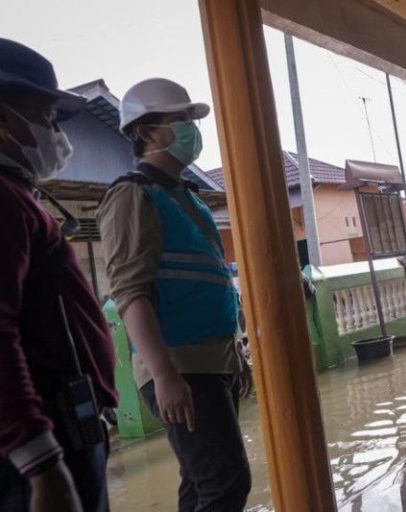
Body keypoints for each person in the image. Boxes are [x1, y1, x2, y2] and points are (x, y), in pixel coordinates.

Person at [97, 78, 251, 511]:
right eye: (180, 119)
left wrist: (234, 354)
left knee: (201, 482)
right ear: (147, 132)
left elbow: (212, 280)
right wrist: (164, 374)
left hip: (211, 361)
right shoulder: (132, 194)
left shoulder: (187, 197)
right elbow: (130, 291)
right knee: (226, 482)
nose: (190, 128)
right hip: (179, 364)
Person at [0, 39, 117, 512]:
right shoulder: (4, 201)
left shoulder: (19, 195)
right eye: (45, 116)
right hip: (44, 441)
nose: (56, 132)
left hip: (66, 423)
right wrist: (42, 464)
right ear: (4, 119)